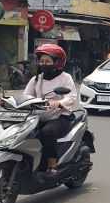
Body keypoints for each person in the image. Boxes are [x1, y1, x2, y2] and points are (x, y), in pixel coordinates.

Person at [23, 44, 79, 174]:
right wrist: (9, 102)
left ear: (57, 62)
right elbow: (25, 96)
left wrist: (59, 102)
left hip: (60, 117)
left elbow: (71, 96)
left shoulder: (65, 78)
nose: (44, 64)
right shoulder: (36, 79)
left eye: (47, 61)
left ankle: (52, 165)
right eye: (41, 61)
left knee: (47, 133)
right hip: (39, 115)